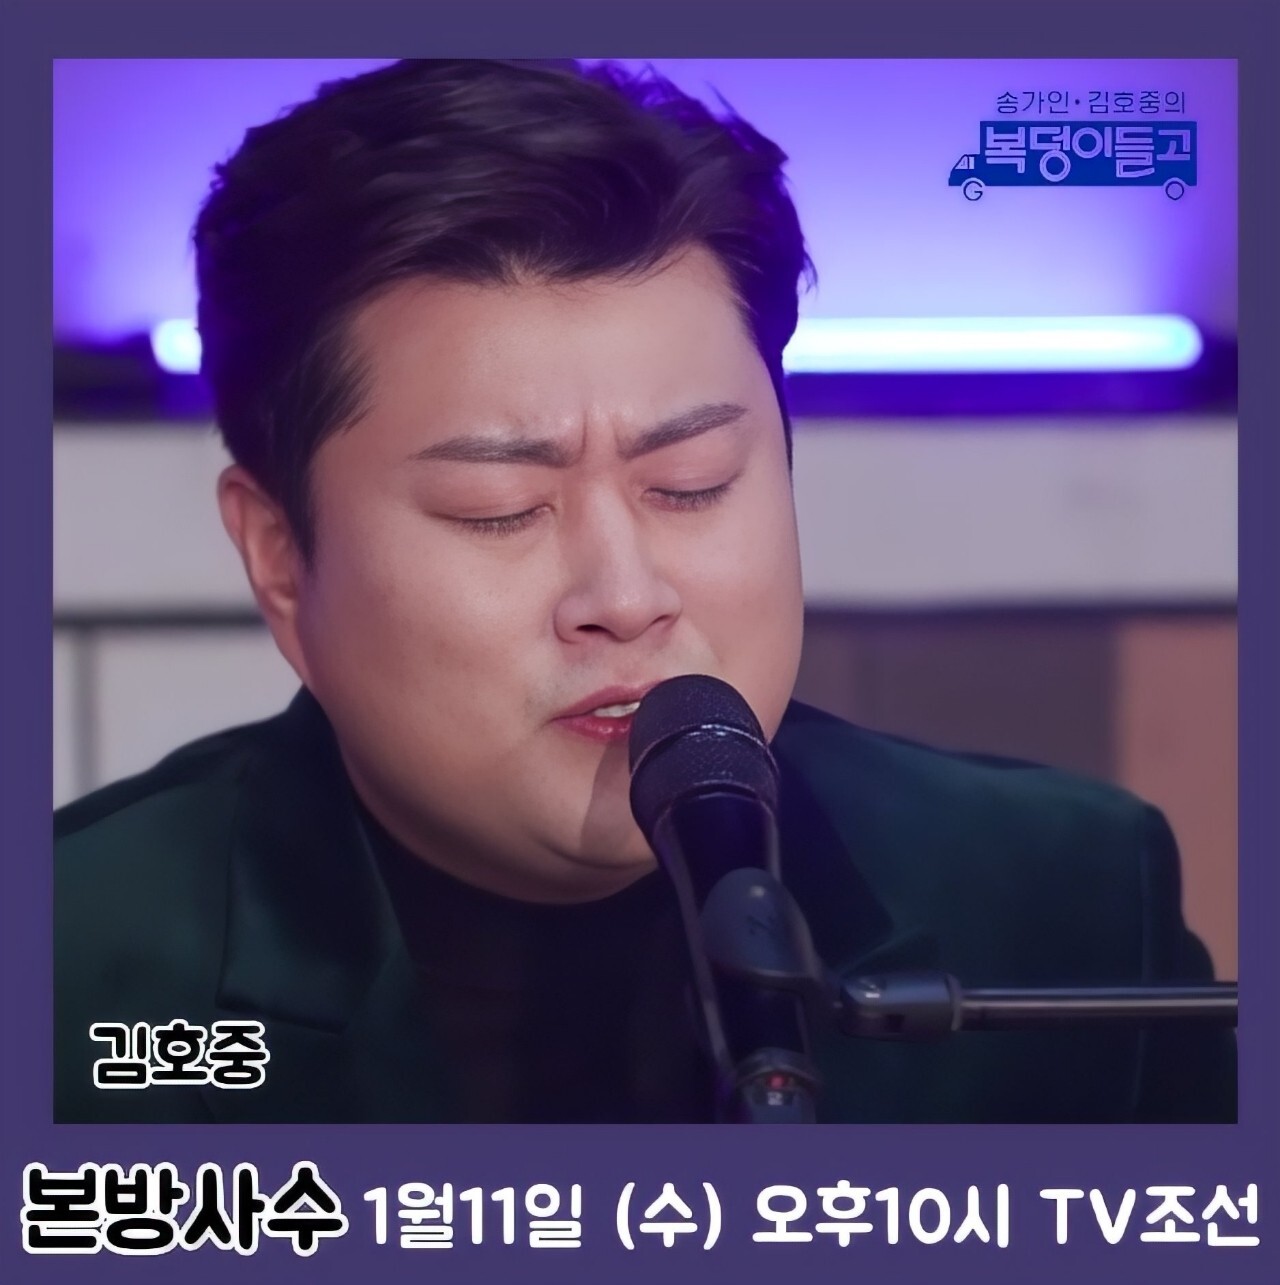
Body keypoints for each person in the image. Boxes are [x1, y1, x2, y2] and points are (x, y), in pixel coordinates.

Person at [54, 58, 1234, 1124]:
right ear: (278, 555)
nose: (624, 595)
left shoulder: (1066, 902)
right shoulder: (68, 968)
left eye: (690, 483)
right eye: (497, 508)